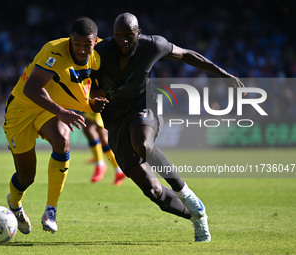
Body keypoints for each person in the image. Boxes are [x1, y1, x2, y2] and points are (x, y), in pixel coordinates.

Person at [92, 13, 245, 242]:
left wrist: (222, 74)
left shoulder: (153, 45)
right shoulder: (100, 52)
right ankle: (198, 216)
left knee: (142, 143)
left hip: (144, 108)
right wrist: (93, 95)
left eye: (129, 36)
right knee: (153, 191)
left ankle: (186, 193)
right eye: (118, 36)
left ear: (139, 33)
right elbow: (85, 82)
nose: (123, 41)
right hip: (114, 121)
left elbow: (186, 55)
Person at [3, 17, 108, 234]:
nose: (81, 50)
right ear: (70, 39)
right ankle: (14, 205)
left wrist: (95, 99)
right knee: (26, 177)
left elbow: (96, 85)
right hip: (21, 109)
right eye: (76, 44)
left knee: (62, 141)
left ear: (94, 42)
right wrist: (62, 112)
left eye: (86, 45)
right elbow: (31, 88)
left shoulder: (98, 54)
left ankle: (50, 211)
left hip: (47, 109)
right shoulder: (54, 51)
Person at [83, 112, 126, 185]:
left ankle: (100, 164)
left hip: (100, 107)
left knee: (89, 128)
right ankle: (118, 170)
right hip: (101, 108)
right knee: (102, 138)